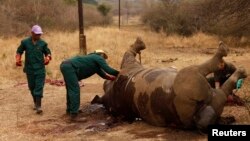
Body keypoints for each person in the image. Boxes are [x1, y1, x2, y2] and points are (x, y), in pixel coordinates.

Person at [60, 49, 119, 122]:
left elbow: (103, 74)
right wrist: (120, 73)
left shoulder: (93, 62)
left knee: (70, 89)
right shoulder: (97, 57)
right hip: (70, 67)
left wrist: (111, 77)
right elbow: (108, 70)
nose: (104, 59)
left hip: (66, 66)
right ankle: (74, 116)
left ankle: (70, 110)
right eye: (104, 57)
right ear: (101, 54)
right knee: (75, 90)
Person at [16, 25, 52, 114]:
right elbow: (19, 51)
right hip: (29, 69)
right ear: (32, 33)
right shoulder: (25, 42)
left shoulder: (43, 43)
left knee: (39, 87)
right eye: (36, 34)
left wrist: (47, 58)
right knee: (32, 87)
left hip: (40, 69)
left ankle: (39, 106)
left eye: (40, 34)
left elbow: (48, 52)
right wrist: (18, 59)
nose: (38, 36)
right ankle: (36, 103)